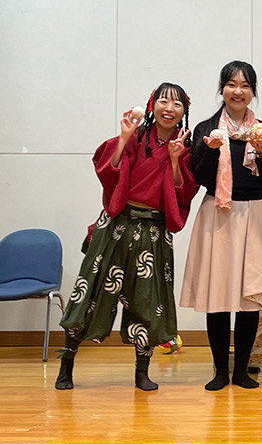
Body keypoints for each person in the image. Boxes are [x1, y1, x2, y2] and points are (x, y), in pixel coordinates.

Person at [56, 83, 197, 391]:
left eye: (177, 104)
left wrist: (175, 161)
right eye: (163, 101)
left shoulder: (184, 148)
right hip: (116, 225)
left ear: (184, 112)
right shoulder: (135, 137)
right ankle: (67, 363)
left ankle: (142, 371)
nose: (169, 108)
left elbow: (184, 192)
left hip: (153, 231)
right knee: (89, 292)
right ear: (152, 105)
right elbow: (107, 170)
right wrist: (123, 139)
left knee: (147, 301)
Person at [180, 60, 262, 391]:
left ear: (253, 92)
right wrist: (211, 151)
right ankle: (219, 372)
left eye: (245, 85)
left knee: (249, 296)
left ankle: (241, 370)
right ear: (221, 89)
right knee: (217, 294)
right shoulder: (206, 128)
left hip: (255, 213)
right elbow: (199, 177)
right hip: (218, 212)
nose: (238, 91)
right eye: (231, 84)